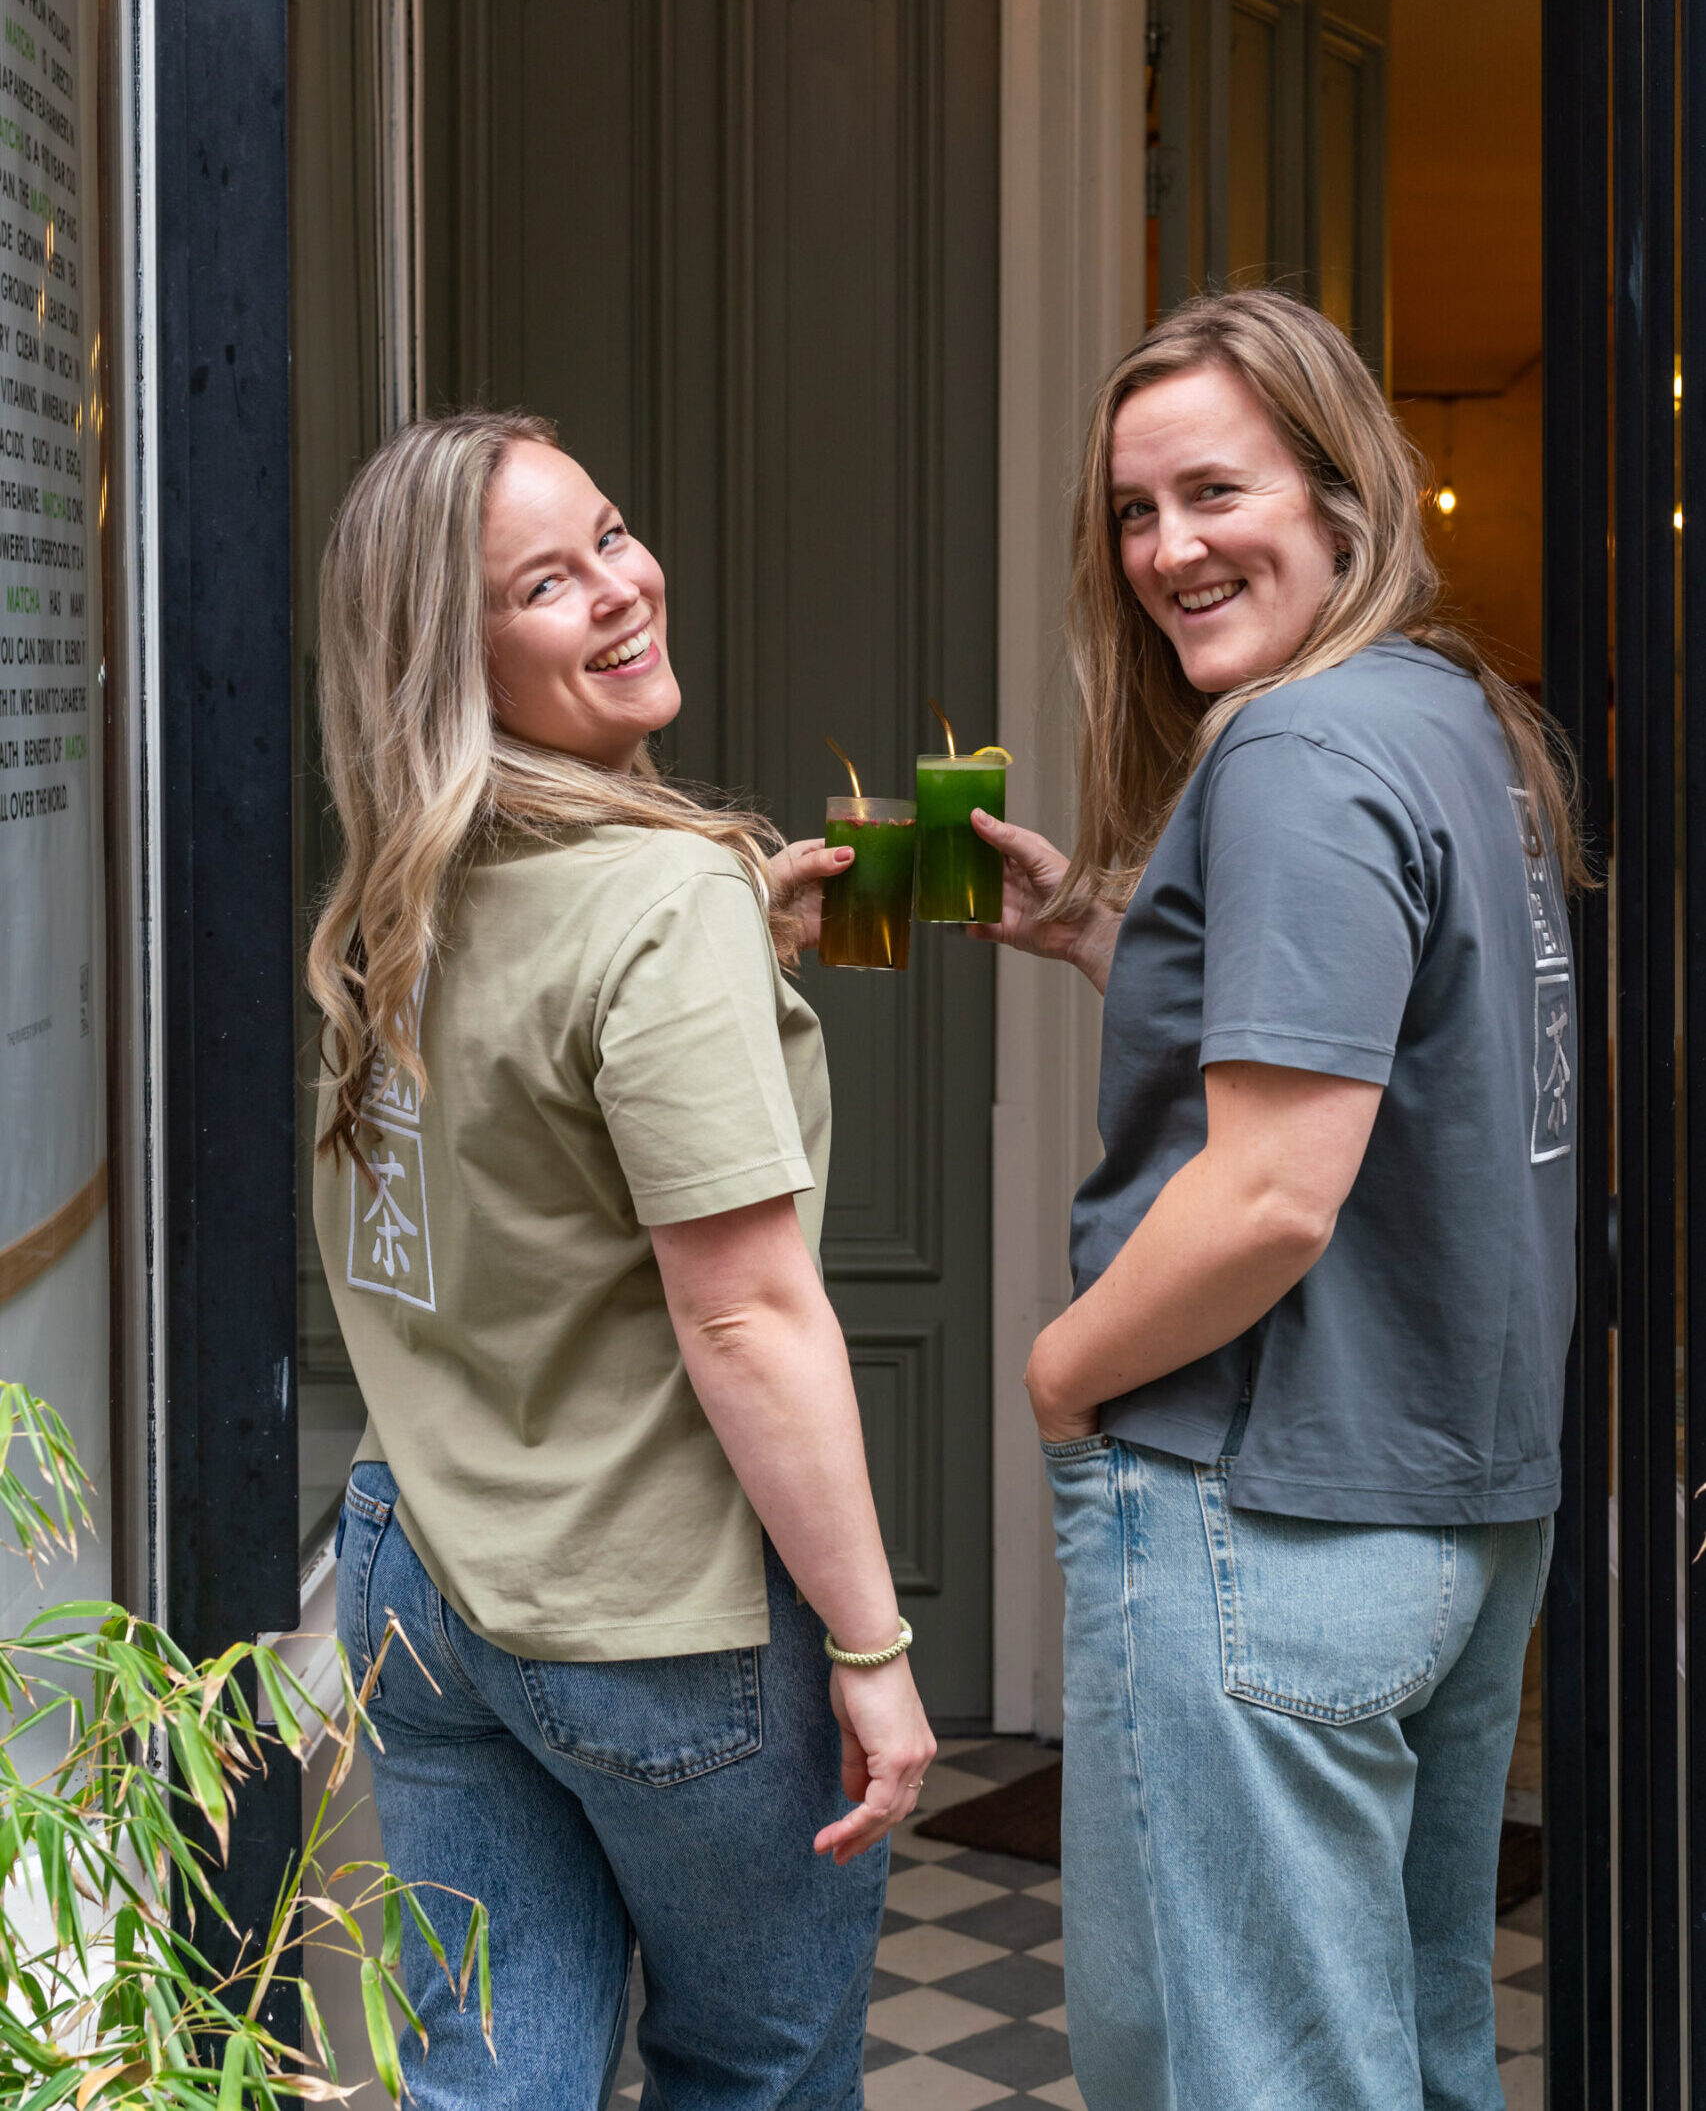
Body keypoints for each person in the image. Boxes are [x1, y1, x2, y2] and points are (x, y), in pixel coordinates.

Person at [971, 288, 1582, 2110]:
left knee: (1253, 2077)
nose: (1168, 550)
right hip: (1454, 1506)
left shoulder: (1294, 751)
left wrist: (1067, 1371)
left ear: (1339, 494)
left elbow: (1266, 1200)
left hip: (1274, 1508)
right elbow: (1412, 1084)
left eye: (1214, 493)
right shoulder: (1446, 718)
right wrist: (1108, 933)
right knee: (1411, 2051)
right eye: (1134, 513)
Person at [306, 409, 934, 2107]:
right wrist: (871, 1654)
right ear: (453, 652)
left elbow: (503, 1188)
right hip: (655, 1613)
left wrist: (733, 951)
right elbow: (739, 1311)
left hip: (420, 1584)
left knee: (486, 2082)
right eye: (543, 581)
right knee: (752, 2069)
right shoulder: (656, 906)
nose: (617, 588)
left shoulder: (396, 894)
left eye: (612, 535)